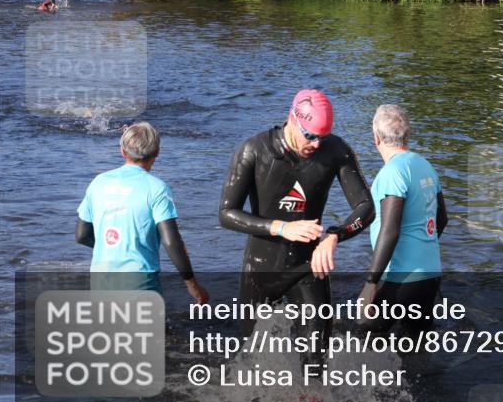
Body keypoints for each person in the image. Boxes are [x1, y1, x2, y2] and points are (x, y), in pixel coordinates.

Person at [219, 89, 374, 354]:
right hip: (260, 268)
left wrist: (335, 236)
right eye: (310, 135)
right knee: (254, 357)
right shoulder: (254, 150)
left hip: (308, 266)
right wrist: (281, 228)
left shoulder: (336, 151)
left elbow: (366, 207)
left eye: (321, 137)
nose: (315, 144)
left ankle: (312, 397)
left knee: (316, 356)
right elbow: (227, 213)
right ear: (292, 119)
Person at [75, 122, 208, 303]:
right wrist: (193, 285)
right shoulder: (157, 189)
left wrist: (117, 248)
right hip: (140, 282)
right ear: (157, 153)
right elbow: (172, 241)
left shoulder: (98, 182)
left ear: (123, 151)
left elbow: (82, 235)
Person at [358, 105, 447, 335]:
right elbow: (443, 219)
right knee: (415, 348)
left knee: (361, 343)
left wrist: (370, 283)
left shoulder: (392, 172)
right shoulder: (425, 166)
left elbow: (390, 230)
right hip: (430, 276)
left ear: (375, 137)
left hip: (400, 278)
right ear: (408, 134)